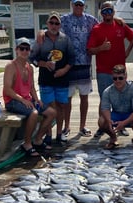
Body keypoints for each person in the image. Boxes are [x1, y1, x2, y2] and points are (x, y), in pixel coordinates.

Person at [37, 0, 99, 140]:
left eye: (81, 4)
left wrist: (118, 19)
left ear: (84, 6)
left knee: (84, 96)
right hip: (67, 65)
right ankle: (66, 126)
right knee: (67, 99)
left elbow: (102, 25)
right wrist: (40, 33)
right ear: (72, 5)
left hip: (84, 63)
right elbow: (48, 27)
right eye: (76, 4)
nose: (78, 7)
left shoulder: (91, 20)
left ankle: (82, 126)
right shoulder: (64, 19)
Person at [87, 1, 133, 138]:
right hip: (103, 71)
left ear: (114, 12)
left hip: (120, 70)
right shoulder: (96, 29)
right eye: (105, 11)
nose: (107, 13)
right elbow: (90, 50)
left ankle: (121, 125)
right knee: (104, 99)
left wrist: (127, 52)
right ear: (101, 14)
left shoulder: (121, 25)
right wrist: (101, 48)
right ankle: (103, 126)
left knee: (121, 99)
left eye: (110, 11)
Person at [3, 37, 56, 157]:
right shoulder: (10, 66)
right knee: (34, 113)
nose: (25, 51)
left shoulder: (29, 67)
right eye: (22, 48)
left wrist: (37, 99)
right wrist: (22, 100)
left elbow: (31, 87)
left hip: (27, 99)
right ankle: (27, 144)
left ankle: (37, 140)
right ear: (16, 50)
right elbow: (7, 89)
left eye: (27, 49)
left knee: (52, 112)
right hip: (12, 101)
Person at [30, 12, 75, 146]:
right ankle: (48, 135)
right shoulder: (41, 39)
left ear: (60, 25)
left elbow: (72, 59)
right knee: (49, 108)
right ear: (47, 24)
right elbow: (32, 57)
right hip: (46, 80)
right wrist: (44, 64)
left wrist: (64, 70)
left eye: (57, 23)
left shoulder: (65, 39)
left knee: (61, 107)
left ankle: (59, 134)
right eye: (51, 23)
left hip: (62, 80)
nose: (54, 26)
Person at [98, 64, 133, 150]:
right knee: (102, 121)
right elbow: (105, 108)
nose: (117, 81)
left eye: (120, 78)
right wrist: (108, 121)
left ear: (125, 77)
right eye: (115, 78)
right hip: (116, 114)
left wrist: (124, 123)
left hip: (131, 114)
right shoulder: (107, 91)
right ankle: (113, 137)